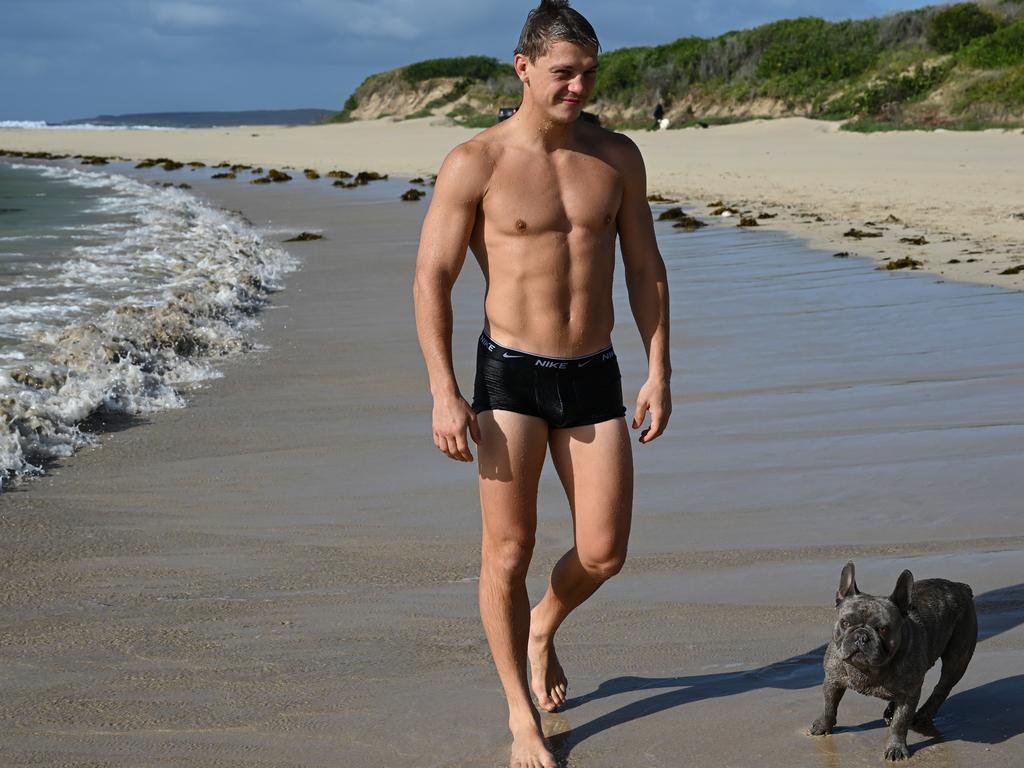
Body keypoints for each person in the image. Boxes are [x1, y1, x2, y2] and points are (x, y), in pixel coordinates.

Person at [412, 2, 671, 766]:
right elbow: (432, 276)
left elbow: (645, 268)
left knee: (603, 552)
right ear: (523, 68)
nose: (578, 86)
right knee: (508, 551)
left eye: (588, 72)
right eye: (564, 72)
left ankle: (541, 626)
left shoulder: (617, 156)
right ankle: (521, 714)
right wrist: (442, 389)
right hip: (510, 378)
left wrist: (659, 368)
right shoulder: (476, 162)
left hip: (594, 372)